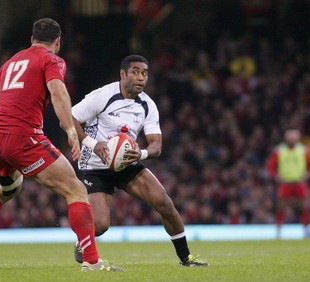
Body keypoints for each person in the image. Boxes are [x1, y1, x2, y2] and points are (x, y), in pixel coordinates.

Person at [0, 18, 120, 272]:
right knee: (76, 190)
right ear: (57, 42)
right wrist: (70, 128)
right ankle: (92, 261)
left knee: (7, 190)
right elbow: (58, 91)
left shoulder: (12, 61)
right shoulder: (52, 60)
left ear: (32, 38)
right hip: (24, 137)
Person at [71, 54, 209, 267]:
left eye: (144, 73)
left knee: (163, 201)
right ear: (123, 74)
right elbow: (69, 117)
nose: (141, 78)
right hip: (95, 166)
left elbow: (156, 145)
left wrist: (141, 154)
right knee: (99, 225)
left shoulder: (148, 105)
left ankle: (186, 258)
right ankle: (83, 242)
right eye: (135, 72)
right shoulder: (102, 96)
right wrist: (92, 144)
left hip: (126, 163)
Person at [267, 128, 310, 238]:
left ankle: (306, 230)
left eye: (294, 138)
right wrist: (275, 176)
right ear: (286, 138)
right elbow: (271, 165)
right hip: (285, 182)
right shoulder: (279, 150)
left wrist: (308, 174)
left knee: (303, 206)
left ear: (297, 139)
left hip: (299, 181)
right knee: (281, 206)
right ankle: (278, 231)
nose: (292, 140)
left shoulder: (303, 149)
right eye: (290, 138)